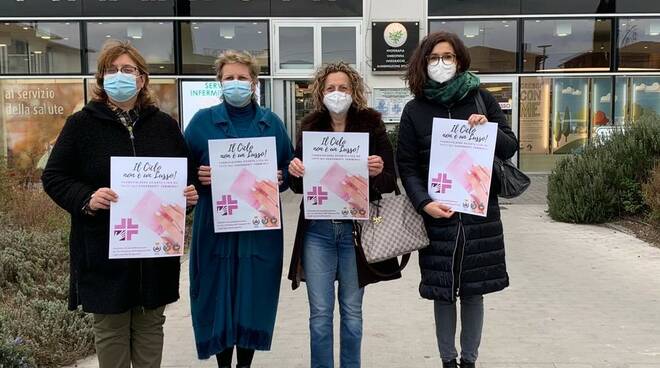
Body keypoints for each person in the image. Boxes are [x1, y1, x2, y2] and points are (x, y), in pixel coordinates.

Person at [41, 40, 198, 368]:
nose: (120, 76)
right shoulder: (81, 125)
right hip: (103, 254)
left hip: (154, 257)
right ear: (100, 79)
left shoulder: (165, 126)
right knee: (111, 336)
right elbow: (54, 177)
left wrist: (188, 198)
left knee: (151, 332)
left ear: (142, 78)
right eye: (111, 70)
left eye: (128, 70)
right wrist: (87, 197)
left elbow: (184, 180)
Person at [396, 31, 519, 368]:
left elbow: (510, 147)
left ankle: (469, 361)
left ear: (460, 60)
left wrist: (487, 129)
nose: (441, 63)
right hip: (439, 214)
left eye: (448, 56)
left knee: (474, 291)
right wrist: (424, 203)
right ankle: (447, 361)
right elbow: (406, 166)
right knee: (444, 291)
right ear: (423, 63)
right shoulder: (415, 109)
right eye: (434, 57)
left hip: (479, 216)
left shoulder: (481, 99)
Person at [287, 62, 403, 368]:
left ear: (354, 91)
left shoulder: (372, 124)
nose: (337, 93)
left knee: (352, 313)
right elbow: (298, 186)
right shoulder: (310, 127)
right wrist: (294, 170)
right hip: (318, 233)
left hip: (357, 234)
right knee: (320, 316)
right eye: (330, 88)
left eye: (343, 88)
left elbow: (390, 179)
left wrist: (376, 172)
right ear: (320, 93)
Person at [184, 50, 294, 367]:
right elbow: (180, 170)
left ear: (254, 82)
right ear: (219, 82)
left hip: (258, 230)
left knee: (254, 294)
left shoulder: (271, 124)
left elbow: (288, 167)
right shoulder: (201, 123)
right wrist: (197, 176)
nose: (236, 83)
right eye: (229, 78)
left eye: (242, 78)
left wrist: (281, 177)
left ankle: (245, 363)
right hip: (214, 229)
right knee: (216, 293)